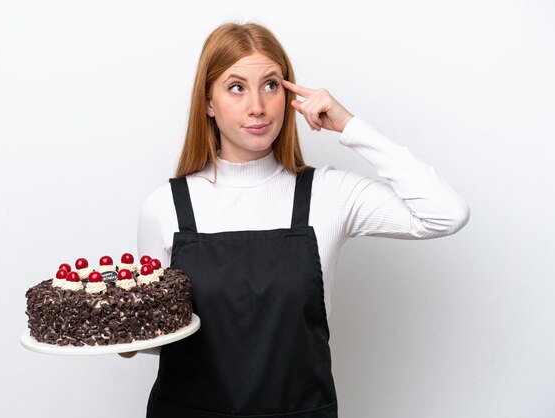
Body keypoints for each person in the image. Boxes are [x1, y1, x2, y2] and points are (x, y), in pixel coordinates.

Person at [125, 22, 470, 418]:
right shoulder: (166, 205)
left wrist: (350, 126)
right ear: (208, 102)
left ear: (288, 95)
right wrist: (128, 338)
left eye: (271, 85)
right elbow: (158, 336)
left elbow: (446, 213)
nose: (257, 105)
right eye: (236, 87)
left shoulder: (329, 194)